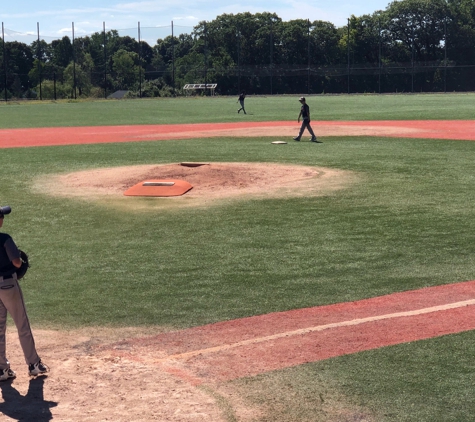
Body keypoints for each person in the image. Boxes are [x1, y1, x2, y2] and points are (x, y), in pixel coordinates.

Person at [0, 205, 49, 381]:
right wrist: (18, 260)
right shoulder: (5, 238)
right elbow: (17, 263)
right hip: (8, 286)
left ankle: (2, 370)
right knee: (22, 325)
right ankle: (33, 364)